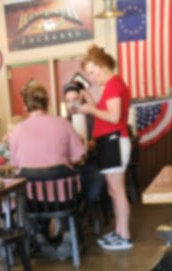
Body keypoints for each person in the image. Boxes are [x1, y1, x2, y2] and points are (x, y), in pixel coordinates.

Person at [8, 81, 85, 251]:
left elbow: (14, 165)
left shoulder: (16, 130)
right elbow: (78, 157)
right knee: (84, 181)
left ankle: (39, 235)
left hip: (32, 201)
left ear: (26, 106)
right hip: (64, 199)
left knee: (25, 192)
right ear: (47, 103)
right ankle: (66, 233)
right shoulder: (63, 124)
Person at [78, 45, 133, 250]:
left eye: (92, 72)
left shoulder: (113, 84)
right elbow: (107, 111)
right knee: (113, 190)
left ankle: (124, 235)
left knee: (117, 191)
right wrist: (93, 102)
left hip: (114, 141)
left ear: (102, 66)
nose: (91, 77)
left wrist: (90, 108)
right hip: (110, 141)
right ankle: (119, 231)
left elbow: (114, 116)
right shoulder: (111, 85)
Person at [63, 81, 107, 227]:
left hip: (92, 162)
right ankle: (72, 217)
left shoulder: (92, 118)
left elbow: (100, 140)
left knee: (89, 179)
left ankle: (82, 212)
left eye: (75, 100)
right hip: (70, 167)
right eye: (68, 101)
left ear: (81, 99)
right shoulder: (64, 123)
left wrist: (92, 142)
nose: (72, 104)